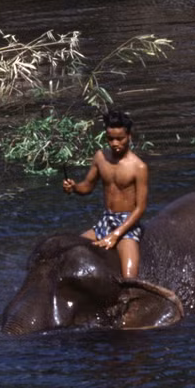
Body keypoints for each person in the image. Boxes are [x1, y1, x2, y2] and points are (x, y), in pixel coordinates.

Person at [62, 109, 149, 280]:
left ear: (129, 136)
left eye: (120, 139)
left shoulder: (139, 167)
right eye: (110, 139)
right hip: (105, 220)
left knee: (130, 279)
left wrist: (116, 235)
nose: (115, 143)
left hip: (127, 225)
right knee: (70, 253)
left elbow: (141, 208)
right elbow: (87, 187)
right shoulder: (100, 157)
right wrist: (74, 187)